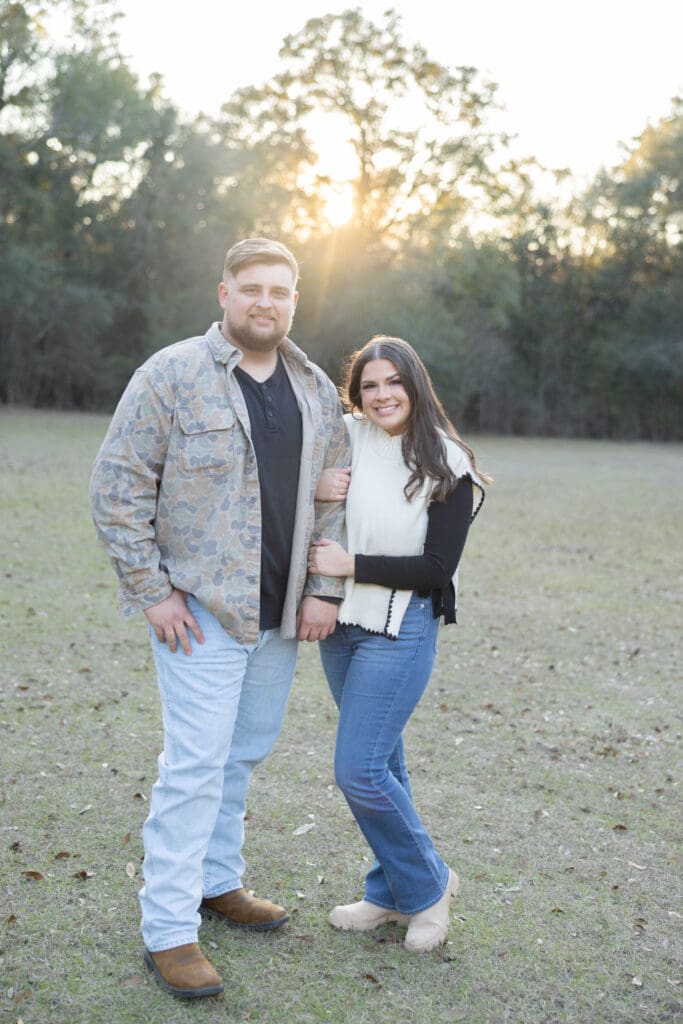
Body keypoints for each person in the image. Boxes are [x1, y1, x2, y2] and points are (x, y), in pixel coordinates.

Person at [89, 238, 350, 999]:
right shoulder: (170, 374)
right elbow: (117, 489)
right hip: (199, 613)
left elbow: (331, 500)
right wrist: (151, 590)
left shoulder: (312, 387)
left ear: (294, 301)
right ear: (224, 293)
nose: (266, 302)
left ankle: (217, 881)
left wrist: (319, 594)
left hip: (277, 617)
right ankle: (168, 931)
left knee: (241, 755)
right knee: (196, 765)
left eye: (280, 290)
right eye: (252, 288)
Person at [308, 335, 489, 953]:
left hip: (402, 624)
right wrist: (319, 488)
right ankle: (390, 892)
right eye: (369, 385)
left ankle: (429, 886)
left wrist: (349, 563)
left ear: (414, 382)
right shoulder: (347, 438)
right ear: (356, 394)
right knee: (384, 765)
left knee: (357, 769)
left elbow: (437, 568)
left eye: (393, 382)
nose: (382, 395)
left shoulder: (446, 462)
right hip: (342, 624)